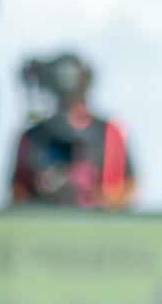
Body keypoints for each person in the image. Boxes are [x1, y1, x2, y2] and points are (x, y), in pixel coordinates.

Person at [10, 54, 136, 210]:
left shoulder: (109, 133)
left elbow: (130, 186)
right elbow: (17, 193)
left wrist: (103, 202)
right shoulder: (32, 138)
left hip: (98, 227)